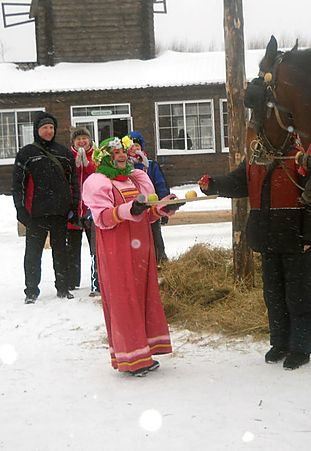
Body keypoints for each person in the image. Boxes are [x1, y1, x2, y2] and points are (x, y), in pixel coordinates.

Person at [198, 155, 311, 371]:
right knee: (273, 296)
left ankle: (300, 348)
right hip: (268, 239)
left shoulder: (300, 158)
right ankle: (280, 343)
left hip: (297, 239)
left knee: (298, 296)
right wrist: (213, 185)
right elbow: (238, 183)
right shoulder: (254, 160)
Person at [82, 136, 184, 376]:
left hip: (141, 250)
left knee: (143, 296)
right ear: (104, 156)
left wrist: (163, 207)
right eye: (115, 152)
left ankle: (145, 349)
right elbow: (103, 218)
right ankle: (132, 358)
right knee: (124, 299)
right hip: (117, 251)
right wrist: (129, 209)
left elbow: (147, 215)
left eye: (123, 152)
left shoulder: (135, 178)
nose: (121, 155)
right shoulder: (98, 182)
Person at [12, 112, 80, 304]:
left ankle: (63, 287)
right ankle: (31, 291)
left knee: (61, 252)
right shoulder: (26, 154)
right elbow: (18, 185)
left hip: (60, 212)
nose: (48, 131)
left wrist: (73, 205)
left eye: (51, 128)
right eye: (44, 128)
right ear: (37, 130)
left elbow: (73, 182)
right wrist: (20, 209)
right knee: (33, 254)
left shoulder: (64, 152)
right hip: (36, 214)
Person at [66, 126, 101, 297]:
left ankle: (97, 281)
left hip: (91, 209)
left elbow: (98, 176)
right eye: (78, 139)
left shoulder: (97, 155)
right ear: (73, 141)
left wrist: (87, 166)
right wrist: (76, 165)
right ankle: (71, 281)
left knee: (95, 247)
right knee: (72, 247)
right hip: (73, 208)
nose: (81, 142)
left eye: (84, 138)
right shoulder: (68, 156)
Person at [127, 131, 170, 264]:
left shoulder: (151, 165)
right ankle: (140, 263)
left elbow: (161, 186)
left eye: (137, 145)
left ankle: (160, 261)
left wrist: (164, 207)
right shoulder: (124, 166)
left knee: (155, 236)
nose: (135, 148)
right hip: (133, 209)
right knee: (135, 239)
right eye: (132, 145)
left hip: (151, 209)